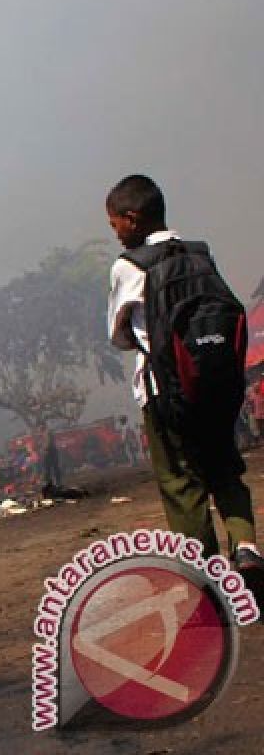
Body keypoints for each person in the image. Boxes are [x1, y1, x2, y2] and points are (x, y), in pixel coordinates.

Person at [105, 174, 263, 587]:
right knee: (224, 470)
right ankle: (245, 544)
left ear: (132, 218)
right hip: (216, 384)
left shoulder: (130, 266)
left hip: (164, 392)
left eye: (115, 224)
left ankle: (207, 578)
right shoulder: (199, 254)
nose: (116, 233)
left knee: (181, 483)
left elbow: (119, 337)